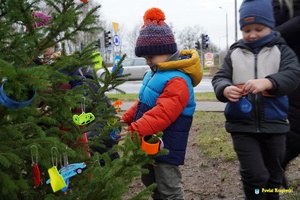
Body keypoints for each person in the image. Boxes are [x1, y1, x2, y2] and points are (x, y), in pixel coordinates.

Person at [211, 0, 300, 199]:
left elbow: (293, 74)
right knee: (255, 175)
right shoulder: (235, 53)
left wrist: (269, 83)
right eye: (246, 29)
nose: (252, 34)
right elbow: (220, 77)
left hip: (275, 125)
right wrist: (225, 88)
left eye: (258, 29)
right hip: (242, 126)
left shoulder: (282, 50)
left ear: (270, 25)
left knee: (275, 177)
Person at [119, 7, 202, 200]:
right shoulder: (153, 74)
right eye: (145, 57)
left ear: (164, 51)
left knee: (168, 186)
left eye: (150, 57)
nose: (147, 62)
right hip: (149, 139)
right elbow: (143, 102)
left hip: (167, 143)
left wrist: (136, 129)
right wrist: (127, 118)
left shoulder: (177, 80)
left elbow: (163, 113)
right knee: (150, 181)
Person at [272, 0, 300, 188]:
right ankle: (272, 168)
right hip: (290, 73)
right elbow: (267, 34)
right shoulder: (273, 4)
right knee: (295, 133)